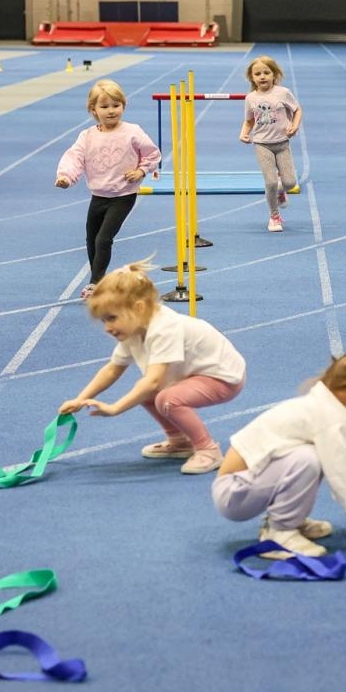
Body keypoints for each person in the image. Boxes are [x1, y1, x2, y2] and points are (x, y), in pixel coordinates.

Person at [212, 348, 346, 559]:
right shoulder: (330, 419)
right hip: (234, 492)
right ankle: (280, 533)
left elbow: (341, 469)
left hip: (240, 487)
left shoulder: (321, 407)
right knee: (308, 460)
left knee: (313, 455)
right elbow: (343, 472)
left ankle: (288, 521)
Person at [60, 260, 246, 475]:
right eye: (103, 321)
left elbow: (154, 381)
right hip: (194, 373)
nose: (108, 328)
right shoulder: (133, 327)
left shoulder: (164, 328)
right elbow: (112, 369)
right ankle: (179, 441)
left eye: (111, 318)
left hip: (222, 377)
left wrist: (115, 408)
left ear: (138, 308)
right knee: (146, 393)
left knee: (164, 397)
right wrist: (80, 399)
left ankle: (208, 449)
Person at [55, 78, 162, 300]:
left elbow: (153, 154)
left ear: (124, 105)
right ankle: (100, 280)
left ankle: (95, 283)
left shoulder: (132, 131)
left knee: (104, 239)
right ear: (93, 110)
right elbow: (75, 157)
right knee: (91, 238)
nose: (111, 111)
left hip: (123, 195)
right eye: (104, 107)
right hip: (99, 194)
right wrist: (66, 176)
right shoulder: (87, 136)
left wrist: (141, 171)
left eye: (116, 105)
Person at [238, 55, 302, 233]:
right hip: (262, 144)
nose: (262, 76)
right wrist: (243, 134)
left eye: (267, 72)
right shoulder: (250, 98)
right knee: (271, 182)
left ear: (274, 74)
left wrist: (295, 126)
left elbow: (297, 110)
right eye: (257, 73)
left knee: (289, 183)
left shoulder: (283, 93)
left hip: (282, 143)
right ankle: (274, 216)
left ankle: (281, 192)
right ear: (252, 77)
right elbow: (249, 120)